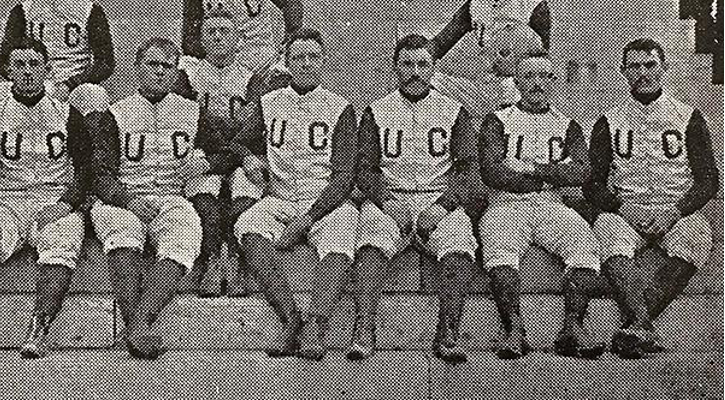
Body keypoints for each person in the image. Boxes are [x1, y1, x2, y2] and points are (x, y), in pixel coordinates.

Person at [0, 37, 93, 359]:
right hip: (8, 199)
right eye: (20, 65)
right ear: (9, 71)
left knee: (62, 241)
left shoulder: (68, 114)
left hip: (53, 199)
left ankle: (39, 327)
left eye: (34, 64)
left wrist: (67, 204)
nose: (27, 72)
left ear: (48, 70)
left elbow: (85, 169)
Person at [224, 28, 359, 360]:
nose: (306, 63)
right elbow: (239, 140)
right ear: (287, 62)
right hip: (281, 196)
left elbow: (344, 176)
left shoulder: (340, 108)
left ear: (324, 62)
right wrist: (249, 158)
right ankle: (290, 318)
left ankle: (316, 324)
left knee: (342, 233)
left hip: (324, 201)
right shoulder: (269, 102)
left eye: (313, 57)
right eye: (299, 57)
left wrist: (308, 218)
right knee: (248, 225)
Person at [587, 38, 719, 359]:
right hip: (626, 210)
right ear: (623, 72)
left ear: (664, 68)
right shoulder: (609, 120)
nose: (643, 73)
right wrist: (622, 208)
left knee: (698, 236)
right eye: (635, 67)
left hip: (674, 210)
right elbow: (592, 184)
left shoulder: (688, 117)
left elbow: (709, 180)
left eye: (650, 65)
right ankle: (642, 325)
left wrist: (675, 212)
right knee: (606, 230)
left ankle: (636, 322)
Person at [351, 35, 479, 362]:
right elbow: (364, 168)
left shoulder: (453, 111)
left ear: (433, 68)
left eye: (423, 64)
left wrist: (443, 206)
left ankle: (448, 330)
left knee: (460, 246)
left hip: (438, 197)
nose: (415, 72)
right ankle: (364, 327)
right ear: (395, 68)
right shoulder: (377, 110)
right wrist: (386, 200)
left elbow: (466, 170)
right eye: (407, 64)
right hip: (391, 197)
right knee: (370, 244)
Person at [88, 38, 217, 359]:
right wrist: (126, 199)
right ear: (137, 68)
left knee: (186, 234)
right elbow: (99, 173)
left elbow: (228, 148)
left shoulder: (193, 112)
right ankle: (139, 325)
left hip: (171, 195)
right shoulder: (115, 114)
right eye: (152, 64)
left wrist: (208, 162)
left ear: (176, 72)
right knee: (122, 236)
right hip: (125, 197)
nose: (160, 72)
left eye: (167, 66)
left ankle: (137, 323)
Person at [478, 50, 605, 359]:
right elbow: (493, 172)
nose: (536, 83)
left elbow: (583, 171)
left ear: (553, 81)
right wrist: (551, 176)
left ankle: (573, 328)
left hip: (551, 205)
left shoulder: (567, 125)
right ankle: (514, 328)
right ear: (517, 82)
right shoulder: (499, 120)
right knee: (500, 251)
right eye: (528, 77)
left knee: (585, 245)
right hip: (506, 205)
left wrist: (533, 171)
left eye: (543, 76)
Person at [176, 8, 288, 296]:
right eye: (211, 32)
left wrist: (236, 150)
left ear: (238, 38)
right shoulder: (188, 77)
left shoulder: (250, 79)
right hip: (203, 153)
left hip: (238, 157)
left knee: (244, 197)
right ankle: (213, 259)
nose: (217, 37)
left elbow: (250, 132)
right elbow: (191, 124)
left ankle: (235, 260)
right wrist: (230, 142)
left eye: (224, 31)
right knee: (205, 200)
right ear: (201, 40)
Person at [429, 0, 551, 114]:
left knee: (509, 87)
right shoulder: (475, 4)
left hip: (517, 88)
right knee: (430, 80)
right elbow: (440, 43)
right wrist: (417, 55)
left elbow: (543, 61)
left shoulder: (535, 6)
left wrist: (518, 67)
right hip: (482, 87)